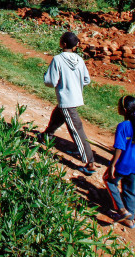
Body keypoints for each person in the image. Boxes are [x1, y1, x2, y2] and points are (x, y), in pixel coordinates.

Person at [41, 31, 97, 175]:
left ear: (63, 44)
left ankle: (89, 162)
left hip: (67, 99)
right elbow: (86, 80)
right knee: (58, 114)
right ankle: (47, 136)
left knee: (76, 130)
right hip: (75, 97)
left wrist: (46, 78)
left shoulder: (58, 59)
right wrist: (75, 86)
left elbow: (51, 81)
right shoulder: (79, 59)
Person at [104, 95, 135, 228]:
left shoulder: (123, 126)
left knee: (109, 180)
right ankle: (130, 219)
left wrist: (112, 164)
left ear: (124, 109)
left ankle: (121, 210)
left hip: (123, 162)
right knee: (130, 190)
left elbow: (119, 147)